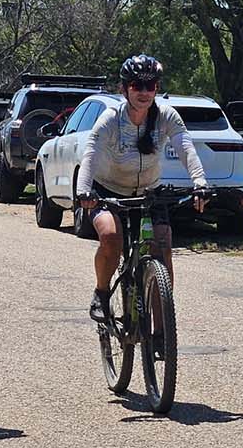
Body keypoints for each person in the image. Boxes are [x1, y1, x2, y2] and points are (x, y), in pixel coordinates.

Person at [75, 54, 211, 324]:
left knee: (163, 244)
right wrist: (83, 191)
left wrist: (200, 183)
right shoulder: (111, 119)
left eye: (151, 86)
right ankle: (101, 293)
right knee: (111, 238)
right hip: (108, 190)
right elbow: (91, 153)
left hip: (149, 191)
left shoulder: (166, 116)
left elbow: (185, 147)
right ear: (124, 89)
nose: (145, 92)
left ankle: (163, 327)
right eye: (138, 85)